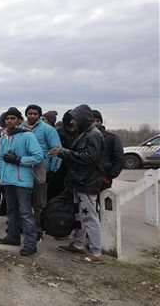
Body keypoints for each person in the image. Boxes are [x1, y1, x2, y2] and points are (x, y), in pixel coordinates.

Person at [49, 104, 105, 264]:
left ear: (81, 118)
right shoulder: (84, 133)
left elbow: (90, 158)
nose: (72, 122)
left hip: (87, 183)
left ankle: (96, 252)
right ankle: (79, 244)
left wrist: (63, 152)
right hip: (79, 182)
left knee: (90, 217)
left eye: (74, 118)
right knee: (80, 216)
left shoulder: (93, 135)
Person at [0, 107, 43, 256]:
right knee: (11, 211)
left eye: (13, 118)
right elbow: (0, 158)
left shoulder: (27, 136)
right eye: (7, 118)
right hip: (7, 180)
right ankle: (13, 237)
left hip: (22, 181)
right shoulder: (4, 136)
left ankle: (30, 244)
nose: (9, 121)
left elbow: (38, 157)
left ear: (20, 120)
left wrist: (18, 160)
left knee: (25, 213)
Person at [22, 104, 62, 242]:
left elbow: (57, 150)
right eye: (30, 113)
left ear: (39, 115)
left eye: (35, 114)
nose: (32, 116)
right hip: (23, 170)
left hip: (41, 170)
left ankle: (38, 229)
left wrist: (53, 170)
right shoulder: (20, 129)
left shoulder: (48, 129)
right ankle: (25, 227)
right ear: (26, 114)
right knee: (23, 200)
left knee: (39, 203)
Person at [92, 110, 125, 190]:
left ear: (101, 122)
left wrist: (108, 176)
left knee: (105, 201)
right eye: (92, 121)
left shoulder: (112, 138)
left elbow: (120, 159)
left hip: (104, 181)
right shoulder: (83, 137)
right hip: (86, 182)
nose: (95, 123)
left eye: (98, 121)